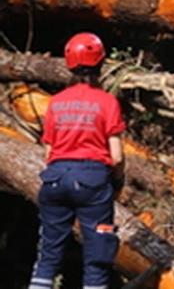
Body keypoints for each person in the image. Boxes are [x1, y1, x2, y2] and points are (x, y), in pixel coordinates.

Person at [28, 33, 125, 289]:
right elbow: (116, 157)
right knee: (97, 259)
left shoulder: (56, 103)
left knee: (48, 257)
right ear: (100, 64)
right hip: (92, 182)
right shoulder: (107, 101)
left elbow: (48, 153)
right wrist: (117, 183)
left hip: (55, 180)